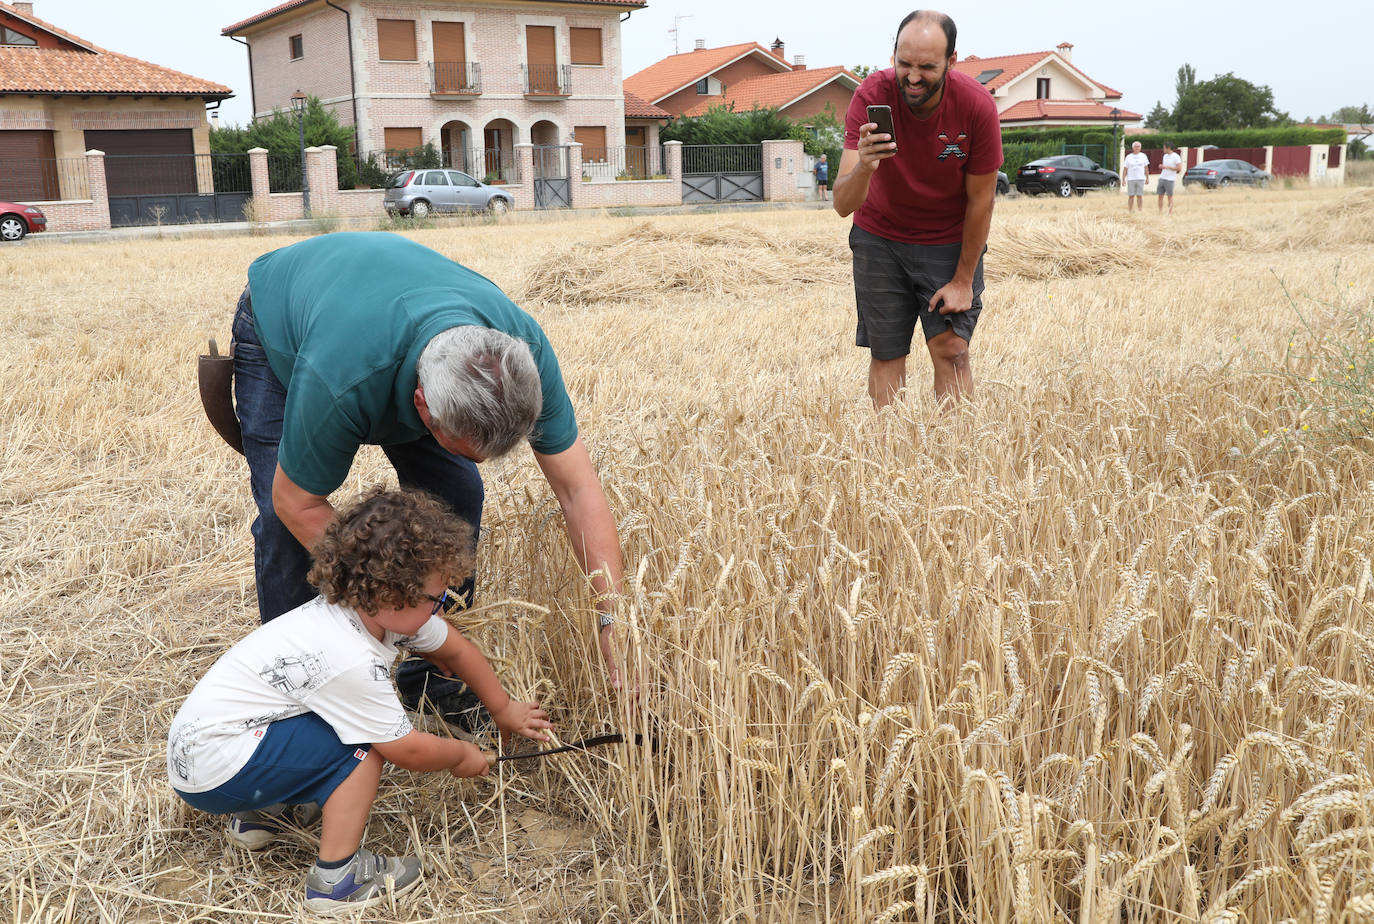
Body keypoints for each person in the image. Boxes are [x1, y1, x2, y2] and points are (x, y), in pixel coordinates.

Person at [230, 232, 625, 732]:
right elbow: (297, 502)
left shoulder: (522, 352)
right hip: (285, 320)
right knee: (282, 528)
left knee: (457, 493)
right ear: (422, 409)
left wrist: (613, 620)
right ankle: (293, 711)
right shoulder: (342, 378)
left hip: (384, 316)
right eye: (467, 449)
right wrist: (394, 596)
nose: (480, 463)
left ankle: (434, 685)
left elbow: (578, 491)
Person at [168, 487, 553, 913]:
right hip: (218, 767)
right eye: (436, 598)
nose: (440, 608)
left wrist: (502, 708)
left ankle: (264, 814)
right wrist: (461, 756)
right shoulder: (349, 657)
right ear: (391, 595)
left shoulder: (372, 612)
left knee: (331, 728)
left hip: (211, 752)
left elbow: (455, 649)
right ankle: (337, 881)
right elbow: (403, 748)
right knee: (360, 749)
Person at [832, 10, 1002, 408]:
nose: (912, 76)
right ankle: (892, 461)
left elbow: (982, 201)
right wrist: (865, 166)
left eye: (927, 67)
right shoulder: (870, 95)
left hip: (947, 240)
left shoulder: (976, 106)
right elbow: (843, 203)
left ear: (951, 61)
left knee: (952, 349)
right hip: (880, 239)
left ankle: (954, 454)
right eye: (904, 63)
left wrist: (962, 280)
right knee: (887, 352)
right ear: (893, 55)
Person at [1123, 140, 1149, 212]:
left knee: (1139, 195)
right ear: (1133, 148)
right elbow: (1125, 169)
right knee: (1131, 195)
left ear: (1140, 148)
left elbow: (1146, 168)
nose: (1137, 148)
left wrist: (1147, 178)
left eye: (1138, 146)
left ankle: (1140, 210)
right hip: (1131, 179)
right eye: (1135, 146)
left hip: (1140, 178)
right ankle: (1130, 210)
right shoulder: (1128, 157)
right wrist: (1123, 179)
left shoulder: (1143, 156)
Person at [1157, 142, 1182, 214]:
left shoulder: (1176, 156)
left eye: (1164, 148)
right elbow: (1165, 167)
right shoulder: (1165, 156)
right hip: (1162, 178)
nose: (1163, 149)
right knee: (1160, 196)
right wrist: (1162, 166)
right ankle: (1160, 212)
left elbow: (1179, 168)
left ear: (1168, 148)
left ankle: (1170, 212)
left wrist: (1167, 167)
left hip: (1170, 179)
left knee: (1169, 196)